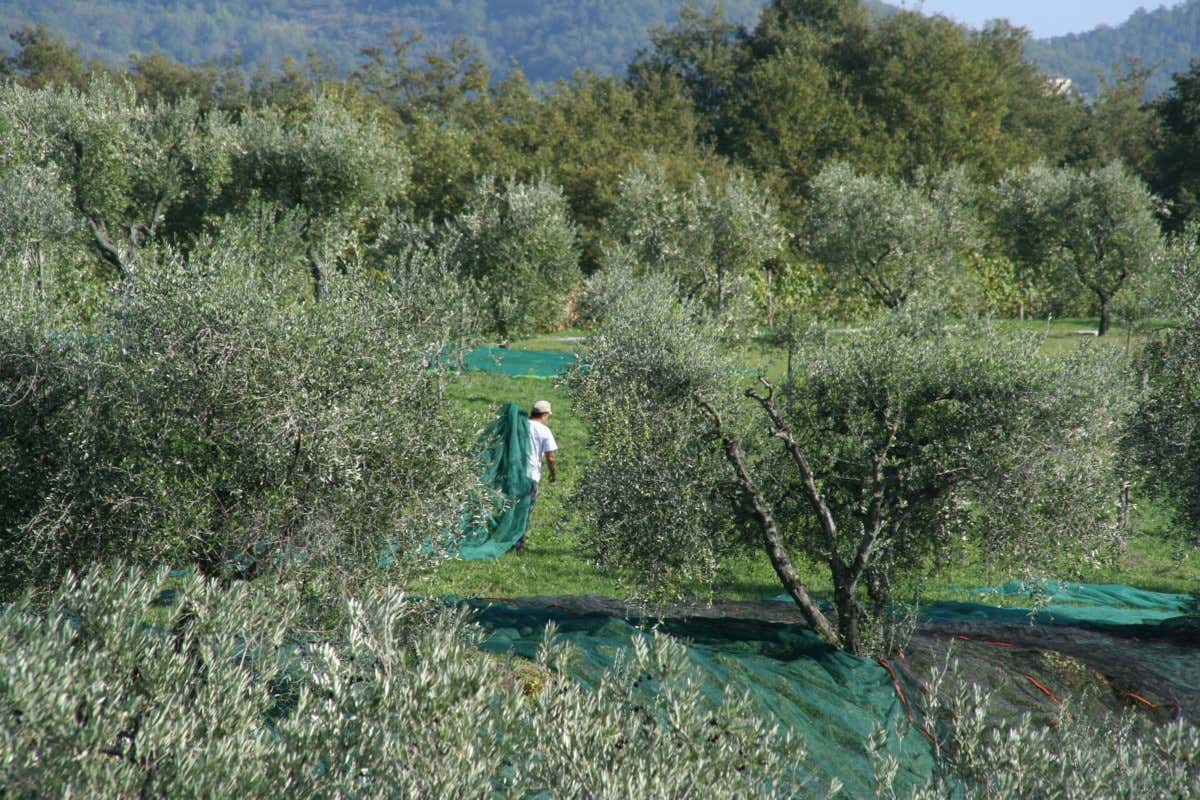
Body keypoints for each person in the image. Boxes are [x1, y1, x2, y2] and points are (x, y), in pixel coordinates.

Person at [516, 399, 557, 551]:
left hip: (514, 473)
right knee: (525, 509)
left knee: (512, 508)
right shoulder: (544, 430)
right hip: (531, 475)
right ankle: (518, 544)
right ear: (545, 414)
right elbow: (550, 457)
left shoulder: (520, 425)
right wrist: (553, 475)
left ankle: (507, 538)